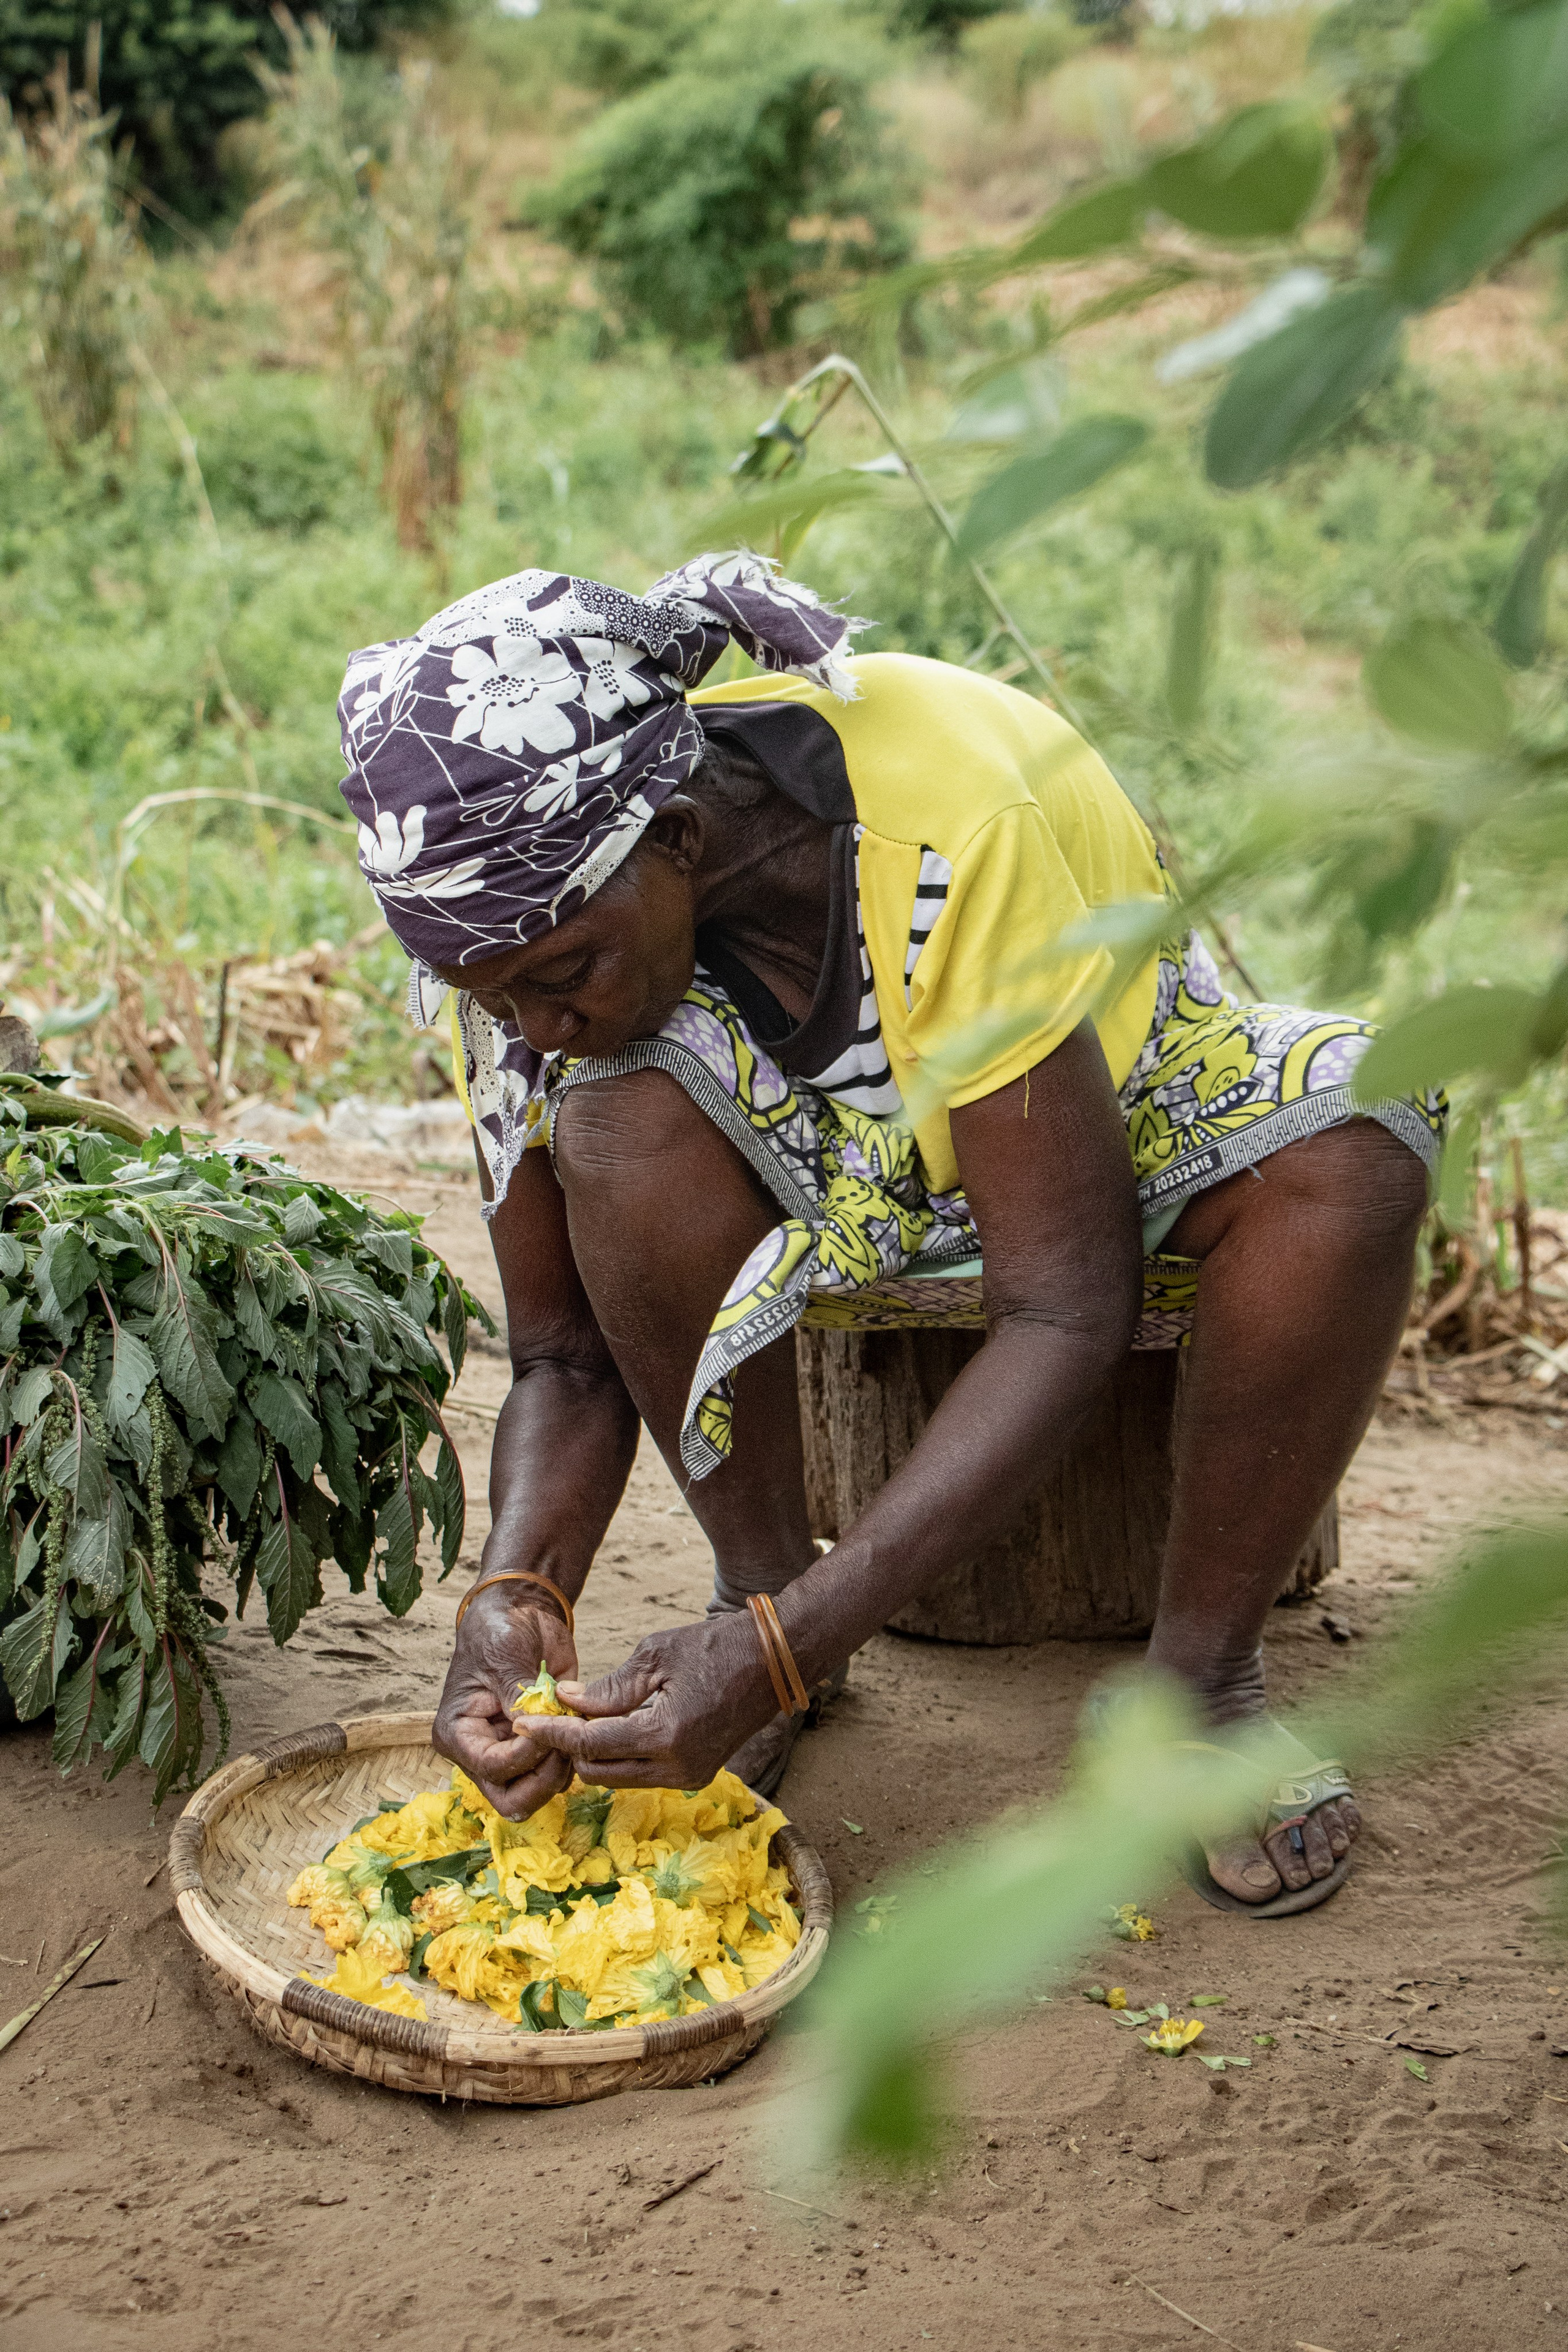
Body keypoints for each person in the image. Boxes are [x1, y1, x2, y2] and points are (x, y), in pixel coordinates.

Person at [337, 553, 1441, 1918]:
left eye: (556, 980)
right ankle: (757, 1586)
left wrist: (788, 1652)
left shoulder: (945, 824)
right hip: (825, 1156)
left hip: (1093, 1103)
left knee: (1357, 1134)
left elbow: (1064, 1301)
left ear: (676, 837)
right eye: (486, 998)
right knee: (612, 1125)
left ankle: (1199, 1688)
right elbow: (562, 1360)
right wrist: (514, 1596)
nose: (530, 1028)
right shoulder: (514, 925)